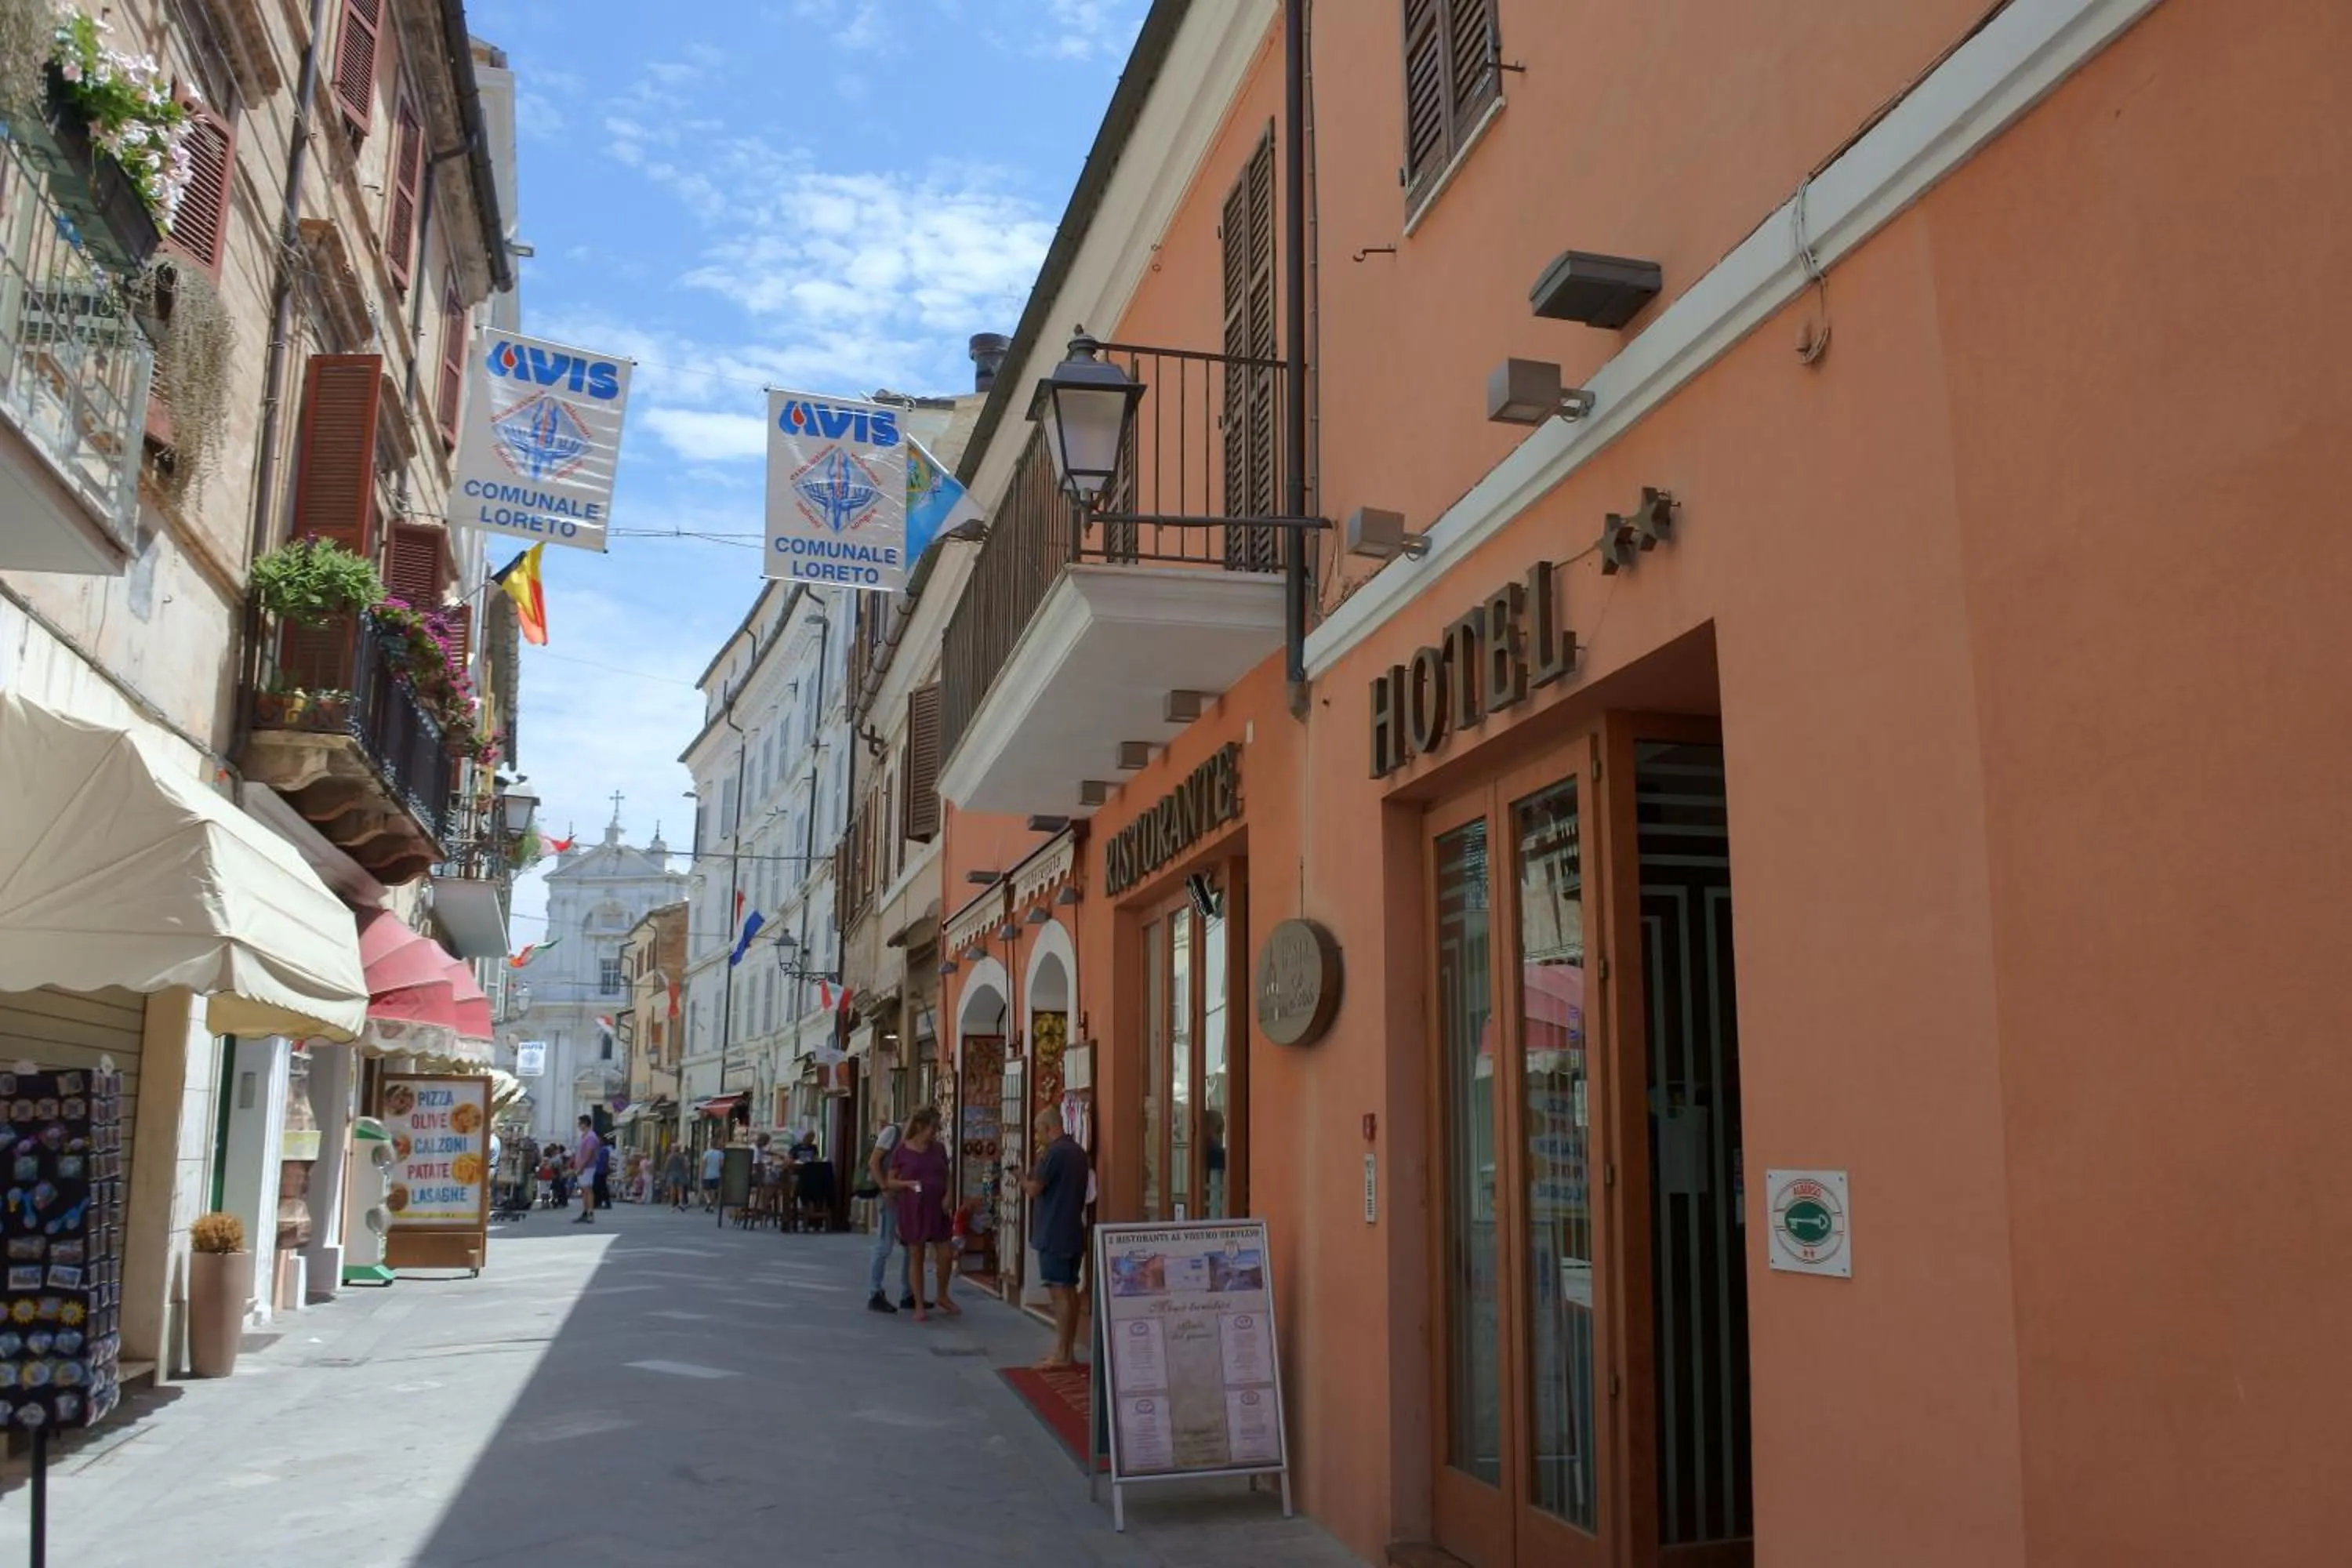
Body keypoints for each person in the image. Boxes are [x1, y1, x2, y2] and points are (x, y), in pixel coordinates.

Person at [1019, 1107, 1091, 1369]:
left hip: (1054, 1231)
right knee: (1069, 1290)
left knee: (1059, 1292)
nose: (1038, 1136)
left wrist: (1020, 1178)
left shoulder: (1055, 1153)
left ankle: (1062, 1353)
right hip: (1072, 1228)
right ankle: (1066, 1351)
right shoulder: (1078, 1153)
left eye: (1039, 1130)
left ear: (1048, 1127)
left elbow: (1035, 1189)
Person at [881, 1107, 955, 1323]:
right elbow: (891, 1181)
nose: (936, 1132)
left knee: (946, 1253)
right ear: (921, 1126)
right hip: (913, 1207)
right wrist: (908, 1184)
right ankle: (919, 1304)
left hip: (938, 1206)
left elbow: (948, 1175)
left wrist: (949, 1195)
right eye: (934, 1127)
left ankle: (942, 1295)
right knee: (917, 1255)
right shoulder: (902, 1151)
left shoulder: (939, 1149)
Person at [864, 1116, 916, 1313]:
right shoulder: (892, 1132)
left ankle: (908, 1293)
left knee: (911, 1245)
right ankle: (874, 1292)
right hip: (889, 1195)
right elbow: (874, 1162)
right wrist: (884, 1187)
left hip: (907, 1196)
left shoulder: (917, 1138)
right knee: (885, 1245)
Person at [573, 1115, 604, 1225]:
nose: (578, 1126)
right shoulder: (584, 1136)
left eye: (580, 1123)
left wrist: (582, 1166)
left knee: (588, 1190)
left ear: (585, 1124)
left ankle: (590, 1213)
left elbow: (589, 1153)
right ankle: (585, 1212)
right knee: (584, 1190)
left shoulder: (591, 1137)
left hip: (587, 1167)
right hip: (583, 1167)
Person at [662, 1145, 690, 1210]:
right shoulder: (682, 1157)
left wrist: (665, 1174)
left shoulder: (670, 1156)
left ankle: (672, 1205)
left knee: (673, 1190)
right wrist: (685, 1172)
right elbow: (686, 1166)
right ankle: (680, 1203)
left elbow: (667, 1166)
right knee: (680, 1190)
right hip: (681, 1174)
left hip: (672, 1174)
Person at [699, 1141, 724, 1211]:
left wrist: (701, 1174)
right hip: (716, 1175)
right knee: (713, 1190)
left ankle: (708, 1201)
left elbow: (703, 1164)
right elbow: (721, 1165)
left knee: (705, 1190)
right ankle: (712, 1205)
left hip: (707, 1175)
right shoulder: (720, 1154)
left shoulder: (707, 1153)